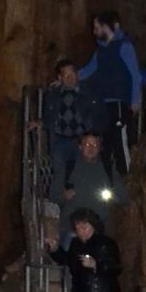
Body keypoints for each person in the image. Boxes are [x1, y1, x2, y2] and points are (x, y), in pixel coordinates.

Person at [78, 11, 144, 174]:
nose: (94, 32)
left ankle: (127, 179)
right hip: (103, 104)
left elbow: (134, 75)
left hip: (119, 102)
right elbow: (88, 70)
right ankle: (108, 183)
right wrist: (69, 79)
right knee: (104, 143)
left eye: (97, 27)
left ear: (107, 26)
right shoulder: (100, 51)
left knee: (120, 142)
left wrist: (136, 101)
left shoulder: (124, 47)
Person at [31, 59, 92, 192]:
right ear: (60, 77)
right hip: (59, 140)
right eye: (66, 75)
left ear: (77, 74)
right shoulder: (53, 94)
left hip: (80, 139)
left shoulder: (87, 92)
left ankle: (82, 203)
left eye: (72, 74)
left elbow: (93, 114)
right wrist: (40, 123)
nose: (70, 78)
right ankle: (63, 204)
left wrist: (91, 133)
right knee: (60, 174)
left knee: (81, 173)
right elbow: (48, 116)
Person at [59, 131, 126, 239]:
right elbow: (53, 195)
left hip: (99, 231)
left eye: (95, 145)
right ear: (80, 147)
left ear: (100, 148)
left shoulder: (108, 169)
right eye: (87, 145)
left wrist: (111, 195)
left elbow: (123, 196)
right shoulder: (69, 168)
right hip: (71, 231)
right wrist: (63, 196)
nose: (91, 148)